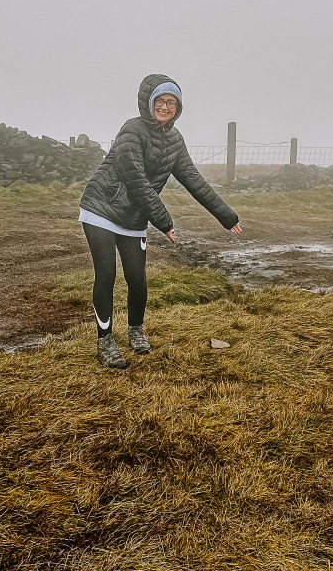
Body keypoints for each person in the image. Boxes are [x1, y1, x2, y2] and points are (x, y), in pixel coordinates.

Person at [79, 73, 242, 369]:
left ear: (178, 108)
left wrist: (226, 215)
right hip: (101, 208)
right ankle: (105, 341)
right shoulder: (132, 130)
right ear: (149, 102)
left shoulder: (175, 141)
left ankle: (135, 330)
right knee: (106, 275)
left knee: (137, 278)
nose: (166, 107)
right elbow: (136, 180)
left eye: (172, 102)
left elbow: (193, 179)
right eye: (161, 101)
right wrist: (164, 221)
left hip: (134, 216)